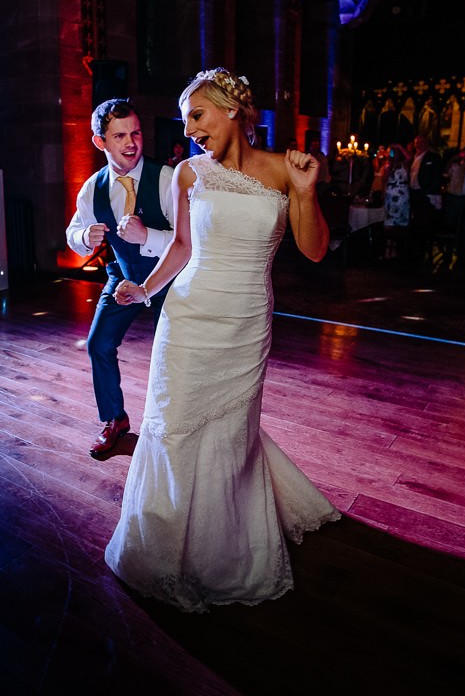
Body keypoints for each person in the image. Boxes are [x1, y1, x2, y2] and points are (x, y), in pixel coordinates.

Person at [106, 68, 340, 612]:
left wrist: (305, 191)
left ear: (231, 108)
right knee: (174, 425)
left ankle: (226, 546)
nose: (190, 129)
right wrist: (143, 288)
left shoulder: (286, 168)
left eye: (197, 115)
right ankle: (164, 542)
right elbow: (183, 246)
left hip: (245, 320)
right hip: (187, 317)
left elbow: (314, 250)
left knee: (232, 434)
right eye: (187, 119)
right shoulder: (188, 173)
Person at [66, 99, 176, 457]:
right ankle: (115, 420)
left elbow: (192, 240)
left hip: (169, 280)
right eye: (119, 136)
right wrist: (84, 238)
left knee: (172, 356)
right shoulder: (91, 189)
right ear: (100, 142)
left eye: (136, 133)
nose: (131, 143)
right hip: (123, 279)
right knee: (99, 344)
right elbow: (73, 232)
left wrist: (149, 237)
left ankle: (173, 429)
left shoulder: (166, 179)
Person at [381, 142, 412, 259]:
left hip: (401, 197)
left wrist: (399, 147)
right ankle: (388, 251)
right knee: (389, 224)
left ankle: (395, 252)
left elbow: (409, 158)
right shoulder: (388, 167)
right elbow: (383, 181)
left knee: (398, 224)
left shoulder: (403, 165)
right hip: (390, 197)